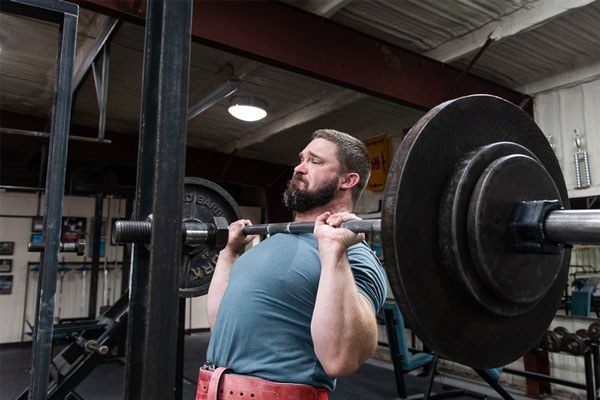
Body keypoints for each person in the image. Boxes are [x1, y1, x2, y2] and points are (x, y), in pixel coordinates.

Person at [197, 129, 388, 400]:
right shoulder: (265, 245)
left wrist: (334, 253)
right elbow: (220, 326)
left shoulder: (354, 255)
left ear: (348, 180)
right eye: (301, 159)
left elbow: (341, 359)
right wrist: (229, 254)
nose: (299, 167)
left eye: (315, 161)